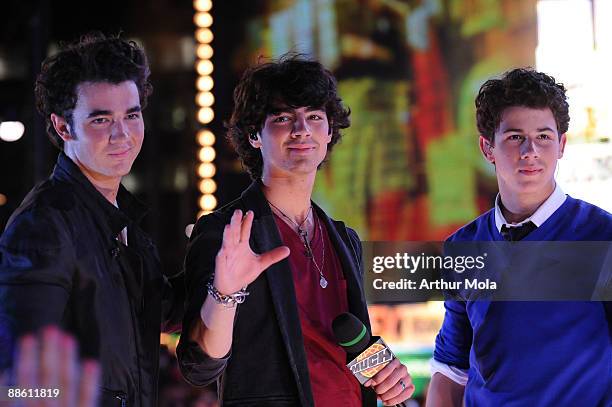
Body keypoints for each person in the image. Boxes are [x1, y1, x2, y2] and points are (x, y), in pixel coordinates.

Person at [177, 55, 414, 406]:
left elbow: (344, 337)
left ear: (329, 131)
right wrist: (223, 295)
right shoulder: (225, 233)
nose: (302, 129)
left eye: (315, 117)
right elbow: (199, 368)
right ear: (254, 135)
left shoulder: (344, 239)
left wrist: (386, 372)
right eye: (283, 117)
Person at [0, 33, 183, 406]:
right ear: (64, 127)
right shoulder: (45, 225)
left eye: (132, 115)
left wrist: (222, 267)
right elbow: (16, 383)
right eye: (101, 120)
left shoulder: (122, 225)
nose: (123, 134)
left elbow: (163, 309)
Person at [427, 68, 612, 406]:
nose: (530, 151)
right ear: (487, 148)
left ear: (562, 145)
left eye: (544, 136)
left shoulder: (603, 237)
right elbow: (450, 368)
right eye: (514, 137)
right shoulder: (463, 246)